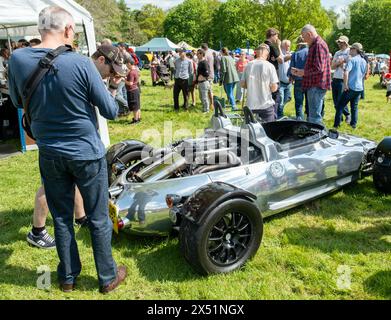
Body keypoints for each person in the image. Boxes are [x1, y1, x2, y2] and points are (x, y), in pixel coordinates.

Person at [8, 6, 127, 293]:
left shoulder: (17, 59)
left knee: (61, 218)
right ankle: (107, 277)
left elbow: (15, 101)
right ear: (69, 30)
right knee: (97, 217)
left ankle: (68, 277)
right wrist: (113, 88)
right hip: (85, 152)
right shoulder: (82, 63)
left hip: (49, 151)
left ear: (40, 29)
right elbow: (110, 111)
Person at [291, 24, 331, 125]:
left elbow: (319, 68)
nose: (304, 40)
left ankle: (317, 136)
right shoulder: (316, 44)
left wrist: (303, 72)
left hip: (316, 85)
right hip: (315, 84)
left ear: (309, 34)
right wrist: (302, 71)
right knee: (314, 115)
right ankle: (317, 134)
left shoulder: (318, 44)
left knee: (314, 118)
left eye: (304, 37)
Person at [241, 44, 279, 122]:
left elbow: (242, 84)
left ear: (256, 52)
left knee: (249, 132)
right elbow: (274, 88)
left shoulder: (248, 65)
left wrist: (252, 86)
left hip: (251, 105)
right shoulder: (270, 66)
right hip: (266, 105)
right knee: (268, 131)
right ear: (267, 54)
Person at [333, 43, 368, 129]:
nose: (350, 50)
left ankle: (336, 125)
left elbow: (346, 72)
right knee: (354, 107)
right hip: (359, 88)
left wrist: (345, 85)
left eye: (351, 49)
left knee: (340, 106)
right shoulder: (364, 61)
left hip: (351, 87)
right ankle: (353, 125)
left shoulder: (352, 60)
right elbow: (364, 73)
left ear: (355, 50)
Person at [287, 36, 308, 120]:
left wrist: (291, 77)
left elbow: (291, 68)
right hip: (310, 81)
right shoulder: (311, 52)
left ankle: (299, 118)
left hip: (299, 81)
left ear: (299, 44)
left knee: (299, 102)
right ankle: (309, 119)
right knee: (309, 102)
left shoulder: (296, 54)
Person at [331, 35, 351, 124]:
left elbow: (349, 62)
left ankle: (347, 115)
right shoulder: (337, 52)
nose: (339, 43)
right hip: (335, 77)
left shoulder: (349, 51)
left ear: (345, 43)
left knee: (341, 99)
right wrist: (339, 62)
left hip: (343, 78)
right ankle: (340, 117)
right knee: (335, 101)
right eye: (338, 42)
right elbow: (332, 66)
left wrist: (340, 62)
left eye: (341, 42)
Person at [277, 40, 292, 119]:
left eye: (289, 45)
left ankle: (280, 111)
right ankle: (279, 115)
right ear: (282, 46)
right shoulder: (280, 55)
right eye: (286, 45)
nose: (287, 47)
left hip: (289, 83)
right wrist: (278, 46)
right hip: (281, 83)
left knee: (287, 98)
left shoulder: (290, 54)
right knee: (281, 100)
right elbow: (282, 60)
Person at [125, 58, 141, 124]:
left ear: (129, 64)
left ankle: (135, 120)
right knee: (137, 106)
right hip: (136, 89)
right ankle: (138, 118)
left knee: (134, 106)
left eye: (126, 64)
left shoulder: (131, 72)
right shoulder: (135, 70)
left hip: (132, 90)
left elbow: (130, 83)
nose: (126, 65)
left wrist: (124, 80)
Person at [196, 49, 211, 113]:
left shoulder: (204, 62)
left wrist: (202, 76)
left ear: (202, 54)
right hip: (200, 83)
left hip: (204, 82)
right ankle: (204, 108)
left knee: (204, 97)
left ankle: (206, 110)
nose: (197, 55)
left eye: (198, 54)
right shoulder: (200, 62)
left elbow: (207, 73)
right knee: (201, 97)